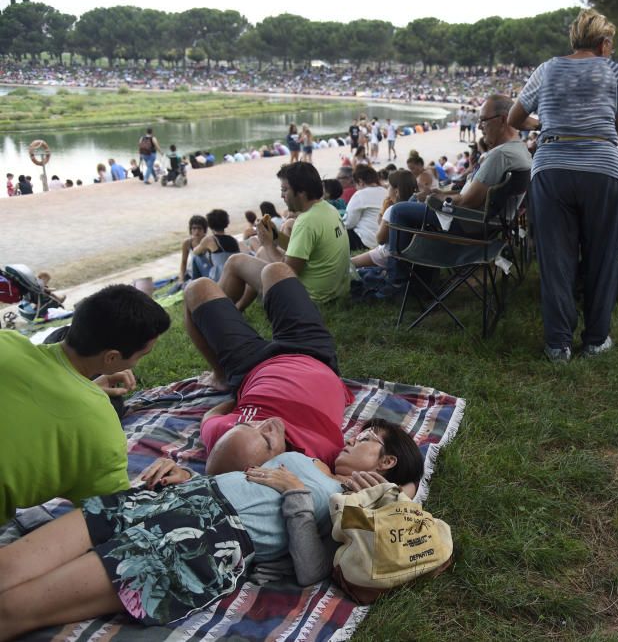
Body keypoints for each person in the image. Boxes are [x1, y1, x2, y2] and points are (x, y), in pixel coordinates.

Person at [0, 414, 423, 638]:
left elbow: (312, 570)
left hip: (204, 541)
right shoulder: (313, 460)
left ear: (386, 462)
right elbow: (244, 484)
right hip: (164, 500)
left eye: (367, 437)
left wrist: (296, 492)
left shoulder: (353, 508)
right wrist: (195, 480)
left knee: (13, 610)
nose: (352, 437)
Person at [508, 9, 618, 362]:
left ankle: (558, 343)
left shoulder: (547, 69)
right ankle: (596, 339)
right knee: (602, 257)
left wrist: (545, 122)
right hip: (603, 169)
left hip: (552, 167)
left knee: (555, 258)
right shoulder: (614, 71)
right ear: (603, 42)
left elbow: (514, 118)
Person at [0, 284, 170, 522]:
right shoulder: (99, 426)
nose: (136, 364)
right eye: (141, 356)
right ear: (111, 357)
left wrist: (85, 389)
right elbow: (113, 513)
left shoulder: (6, 343)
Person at [181, 262, 353, 473]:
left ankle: (221, 374)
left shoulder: (225, 440)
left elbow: (210, 417)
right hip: (313, 355)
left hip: (249, 367)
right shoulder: (318, 457)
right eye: (266, 440)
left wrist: (240, 401)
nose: (266, 422)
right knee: (277, 270)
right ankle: (239, 274)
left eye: (247, 424)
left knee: (197, 288)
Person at [380, 94, 532, 300]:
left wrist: (435, 199)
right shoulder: (519, 150)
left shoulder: (501, 156)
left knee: (398, 211)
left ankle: (397, 283)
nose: (479, 126)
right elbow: (471, 195)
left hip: (468, 225)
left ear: (503, 119)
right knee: (417, 201)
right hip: (489, 225)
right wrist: (440, 194)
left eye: (483, 120)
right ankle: (415, 282)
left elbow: (468, 201)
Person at [218, 162, 350, 309]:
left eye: (285, 190)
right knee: (261, 253)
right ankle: (239, 308)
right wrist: (276, 236)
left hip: (313, 298)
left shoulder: (306, 222)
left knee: (235, 261)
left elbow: (288, 272)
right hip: (335, 290)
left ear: (301, 192)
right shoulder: (326, 208)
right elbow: (300, 254)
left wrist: (268, 244)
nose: (282, 195)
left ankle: (219, 313)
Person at [351, 169, 418, 270]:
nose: (387, 188)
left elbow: (380, 239)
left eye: (389, 186)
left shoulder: (393, 210)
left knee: (351, 262)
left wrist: (383, 212)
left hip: (389, 254)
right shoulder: (417, 206)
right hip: (411, 254)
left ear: (396, 191)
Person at [343, 164, 387, 250]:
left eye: (355, 184)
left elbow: (348, 223)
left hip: (366, 242)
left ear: (360, 182)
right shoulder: (385, 192)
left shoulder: (360, 194)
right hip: (384, 241)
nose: (356, 188)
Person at [191, 209, 241, 282]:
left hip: (218, 278)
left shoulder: (209, 240)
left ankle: (195, 283)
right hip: (235, 276)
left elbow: (195, 251)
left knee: (196, 257)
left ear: (210, 225)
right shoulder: (233, 240)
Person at [178, 214, 209, 284]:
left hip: (206, 274)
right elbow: (183, 262)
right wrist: (181, 279)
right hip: (191, 274)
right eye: (194, 228)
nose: (197, 231)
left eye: (199, 228)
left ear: (204, 230)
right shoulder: (187, 243)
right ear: (190, 229)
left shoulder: (209, 242)